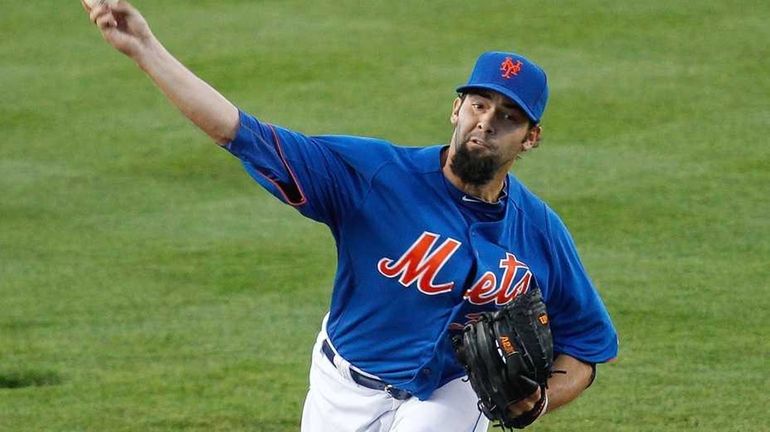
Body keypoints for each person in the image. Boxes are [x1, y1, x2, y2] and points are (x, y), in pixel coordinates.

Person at [84, 2, 618, 431]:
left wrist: (541, 399)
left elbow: (587, 346)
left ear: (531, 138)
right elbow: (239, 132)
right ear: (456, 108)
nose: (487, 122)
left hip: (451, 396)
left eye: (509, 116)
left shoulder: (540, 231)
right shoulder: (373, 175)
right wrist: (145, 49)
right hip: (343, 389)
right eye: (479, 104)